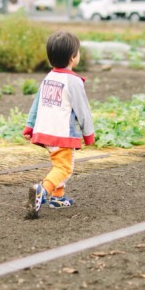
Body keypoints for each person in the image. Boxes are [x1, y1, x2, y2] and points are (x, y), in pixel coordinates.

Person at [23, 31, 95, 219]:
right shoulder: (73, 82)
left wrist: (30, 125)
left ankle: (58, 197)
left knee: (58, 163)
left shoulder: (49, 77)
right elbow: (83, 110)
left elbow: (37, 103)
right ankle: (43, 190)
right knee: (64, 168)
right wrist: (89, 134)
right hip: (61, 132)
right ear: (73, 57)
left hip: (45, 131)